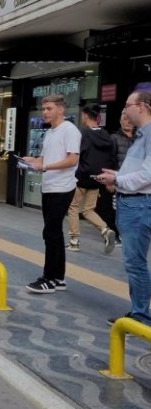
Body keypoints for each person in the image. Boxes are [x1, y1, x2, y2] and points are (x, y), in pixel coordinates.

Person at [96, 90, 151, 325]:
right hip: (134, 202)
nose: (125, 110)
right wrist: (117, 175)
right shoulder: (141, 136)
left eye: (128, 105)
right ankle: (140, 311)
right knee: (134, 262)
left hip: (139, 204)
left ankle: (140, 315)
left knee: (135, 263)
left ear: (142, 106)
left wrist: (117, 181)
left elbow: (147, 176)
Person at [22, 94, 81, 294]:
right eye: (44, 109)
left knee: (51, 232)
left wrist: (46, 166)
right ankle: (59, 278)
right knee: (54, 234)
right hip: (49, 186)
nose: (45, 112)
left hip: (62, 187)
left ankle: (49, 278)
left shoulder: (70, 130)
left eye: (49, 108)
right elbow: (42, 160)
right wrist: (31, 161)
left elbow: (73, 160)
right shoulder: (50, 133)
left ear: (61, 109)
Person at [65, 104, 117, 253]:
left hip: (81, 177)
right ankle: (105, 230)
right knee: (88, 210)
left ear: (86, 115)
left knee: (73, 207)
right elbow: (111, 157)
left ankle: (74, 241)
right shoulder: (106, 135)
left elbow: (75, 154)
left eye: (82, 115)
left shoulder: (83, 133)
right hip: (98, 178)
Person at [103, 111, 137, 246]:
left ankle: (129, 234)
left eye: (130, 119)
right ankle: (116, 235)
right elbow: (109, 159)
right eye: (124, 118)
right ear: (120, 120)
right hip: (118, 178)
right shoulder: (113, 138)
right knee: (116, 208)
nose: (128, 121)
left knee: (132, 207)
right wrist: (110, 181)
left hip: (135, 180)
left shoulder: (140, 139)